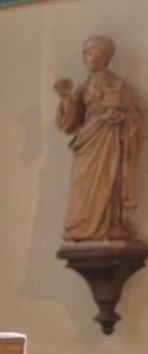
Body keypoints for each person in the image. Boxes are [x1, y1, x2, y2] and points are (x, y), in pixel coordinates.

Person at [54, 34, 143, 241]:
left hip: (109, 140)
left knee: (107, 181)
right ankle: (81, 226)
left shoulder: (118, 85)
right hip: (87, 141)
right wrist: (67, 99)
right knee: (81, 183)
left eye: (95, 53)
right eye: (87, 53)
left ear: (106, 57)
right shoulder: (83, 88)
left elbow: (137, 119)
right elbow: (70, 124)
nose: (90, 58)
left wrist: (120, 116)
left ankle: (108, 223)